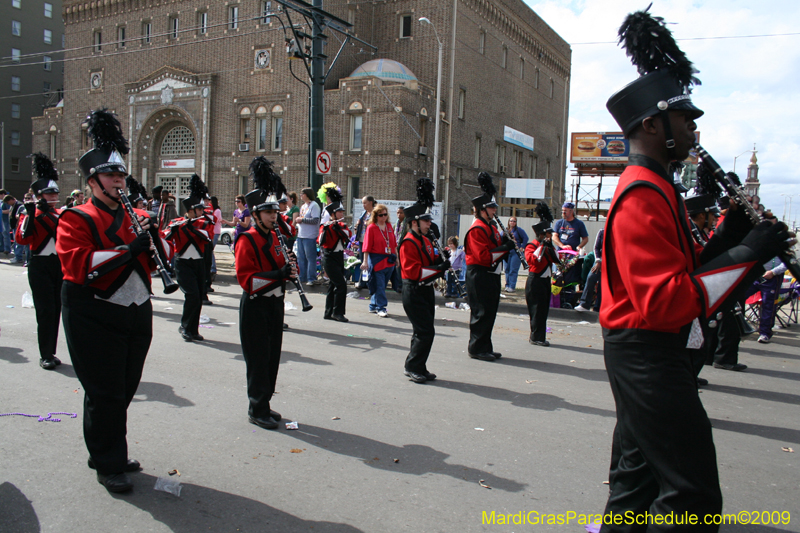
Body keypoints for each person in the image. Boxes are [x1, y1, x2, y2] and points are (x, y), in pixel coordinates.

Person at [599, 9, 795, 530]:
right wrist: (749, 251)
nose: (693, 128)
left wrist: (733, 237)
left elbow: (686, 273)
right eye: (685, 119)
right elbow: (666, 301)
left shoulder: (661, 187)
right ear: (651, 125)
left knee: (635, 484)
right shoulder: (642, 192)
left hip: (655, 349)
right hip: (648, 352)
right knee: (691, 496)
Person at [57, 108, 164, 494]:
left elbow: (155, 254)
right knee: (105, 391)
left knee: (125, 386)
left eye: (121, 174)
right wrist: (128, 248)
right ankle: (108, 460)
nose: (119, 181)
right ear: (93, 181)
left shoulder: (137, 213)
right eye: (111, 175)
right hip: (93, 309)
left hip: (136, 308)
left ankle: (103, 448)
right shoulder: (76, 217)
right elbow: (78, 264)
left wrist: (155, 242)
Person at [236, 157, 297, 430]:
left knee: (272, 356)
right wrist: (279, 274)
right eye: (268, 213)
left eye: (275, 212)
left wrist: (289, 267)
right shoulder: (246, 239)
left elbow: (279, 266)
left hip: (275, 303)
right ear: (256, 214)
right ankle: (255, 407)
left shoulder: (275, 236)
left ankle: (265, 403)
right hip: (256, 304)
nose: (274, 216)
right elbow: (247, 281)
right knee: (258, 359)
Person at [15, 153, 64, 369]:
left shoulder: (61, 213)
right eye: (49, 194)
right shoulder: (31, 214)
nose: (53, 196)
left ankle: (51, 351)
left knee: (56, 309)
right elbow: (21, 238)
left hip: (58, 266)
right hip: (40, 265)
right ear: (40, 196)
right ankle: (45, 354)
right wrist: (32, 214)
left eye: (55, 193)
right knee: (45, 310)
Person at [398, 181, 448, 383]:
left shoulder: (426, 240)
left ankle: (419, 365)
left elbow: (430, 260)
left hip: (426, 291)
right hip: (414, 290)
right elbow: (415, 272)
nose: (430, 224)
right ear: (414, 223)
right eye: (425, 221)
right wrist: (438, 269)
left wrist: (441, 259)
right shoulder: (407, 243)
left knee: (425, 331)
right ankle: (412, 367)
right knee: (425, 331)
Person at [464, 173, 515, 361]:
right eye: (492, 208)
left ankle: (486, 346)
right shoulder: (477, 228)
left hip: (491, 273)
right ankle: (476, 348)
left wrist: (504, 241)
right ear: (482, 210)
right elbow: (484, 256)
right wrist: (504, 247)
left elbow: (493, 248)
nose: (495, 211)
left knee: (490, 312)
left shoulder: (491, 226)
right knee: (481, 313)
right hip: (480, 273)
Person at [165, 175, 212, 342]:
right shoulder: (177, 222)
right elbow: (166, 237)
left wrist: (191, 226)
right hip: (183, 263)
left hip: (198, 263)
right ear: (191, 210)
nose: (202, 212)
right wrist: (176, 227)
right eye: (199, 210)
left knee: (199, 296)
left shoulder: (203, 223)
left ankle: (193, 329)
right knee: (191, 295)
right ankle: (185, 327)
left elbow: (207, 237)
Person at [318, 185, 351, 322]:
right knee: (341, 285)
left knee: (333, 284)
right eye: (340, 212)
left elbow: (347, 236)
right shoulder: (324, 226)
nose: (342, 214)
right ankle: (338, 313)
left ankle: (329, 312)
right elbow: (320, 241)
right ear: (332, 214)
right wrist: (327, 227)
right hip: (329, 256)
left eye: (342, 212)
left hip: (338, 256)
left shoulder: (342, 225)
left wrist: (336, 226)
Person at [361, 203, 397, 317]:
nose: (383, 217)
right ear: (376, 216)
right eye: (381, 215)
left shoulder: (389, 226)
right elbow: (366, 246)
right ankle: (381, 307)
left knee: (382, 284)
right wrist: (365, 261)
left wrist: (397, 258)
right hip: (377, 259)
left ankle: (373, 305)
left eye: (385, 215)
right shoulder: (371, 227)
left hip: (389, 259)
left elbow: (394, 244)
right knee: (380, 285)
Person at [294, 188, 321, 286]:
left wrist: (302, 220)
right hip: (301, 235)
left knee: (310, 258)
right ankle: (302, 277)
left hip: (310, 236)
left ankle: (311, 278)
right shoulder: (303, 206)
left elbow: (315, 220)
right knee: (301, 258)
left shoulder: (314, 205)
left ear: (307, 194)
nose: (301, 195)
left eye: (302, 193)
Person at [575, 228, 604, 312]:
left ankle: (598, 308)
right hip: (600, 261)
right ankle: (584, 304)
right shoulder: (602, 232)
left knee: (603, 284)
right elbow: (596, 247)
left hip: (610, 263)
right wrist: (598, 260)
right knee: (591, 277)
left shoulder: (618, 233)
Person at [352, 195, 375, 288]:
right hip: (362, 240)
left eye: (365, 203)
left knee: (369, 262)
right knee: (363, 262)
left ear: (371, 203)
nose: (363, 205)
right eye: (362, 203)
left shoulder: (375, 214)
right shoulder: (363, 213)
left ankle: (368, 282)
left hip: (370, 241)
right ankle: (363, 281)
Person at [502, 216, 528, 293]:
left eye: (514, 221)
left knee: (513, 270)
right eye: (511, 221)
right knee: (507, 269)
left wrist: (522, 247)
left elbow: (526, 238)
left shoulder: (518, 230)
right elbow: (500, 237)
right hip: (507, 252)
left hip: (516, 252)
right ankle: (507, 285)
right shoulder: (505, 230)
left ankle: (512, 286)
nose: (513, 222)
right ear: (509, 221)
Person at [208, 196, 223, 290]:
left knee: (210, 250)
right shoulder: (211, 209)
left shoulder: (217, 211)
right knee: (210, 250)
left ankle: (213, 269)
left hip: (215, 232)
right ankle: (212, 268)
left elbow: (214, 220)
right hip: (211, 231)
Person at [391, 206, 406, 293]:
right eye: (398, 213)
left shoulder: (407, 225)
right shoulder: (395, 224)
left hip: (403, 249)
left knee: (401, 267)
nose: (399, 215)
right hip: (395, 248)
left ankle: (401, 285)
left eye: (401, 213)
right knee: (396, 267)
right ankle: (397, 285)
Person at [0, 189, 9, 256]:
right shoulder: (1, 202)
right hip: (2, 220)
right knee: (2, 235)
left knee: (6, 235)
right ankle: (2, 248)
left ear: (3, 194)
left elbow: (9, 210)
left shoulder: (6, 201)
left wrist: (1, 211)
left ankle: (7, 249)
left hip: (6, 220)